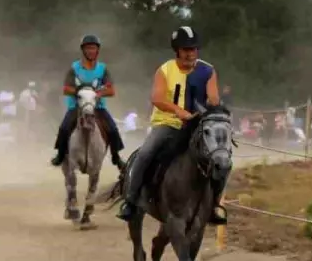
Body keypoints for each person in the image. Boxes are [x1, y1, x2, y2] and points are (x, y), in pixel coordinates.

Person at [116, 26, 226, 224]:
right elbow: (157, 98)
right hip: (167, 124)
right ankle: (130, 201)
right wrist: (178, 111)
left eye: (193, 49)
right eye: (185, 49)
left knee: (223, 159)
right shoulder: (165, 70)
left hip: (198, 125)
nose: (190, 53)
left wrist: (211, 104)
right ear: (177, 50)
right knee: (145, 153)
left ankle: (214, 205)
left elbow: (213, 97)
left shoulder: (207, 70)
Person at [49, 34, 126, 170]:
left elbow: (111, 90)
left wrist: (97, 94)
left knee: (113, 129)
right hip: (77, 106)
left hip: (98, 107)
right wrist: (80, 92)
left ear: (98, 50)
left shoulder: (103, 69)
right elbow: (66, 89)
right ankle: (60, 155)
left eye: (94, 48)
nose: (91, 51)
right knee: (65, 128)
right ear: (83, 50)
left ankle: (116, 157)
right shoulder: (74, 68)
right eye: (88, 48)